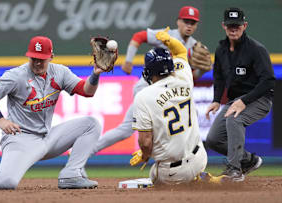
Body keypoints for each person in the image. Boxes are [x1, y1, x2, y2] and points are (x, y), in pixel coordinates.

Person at [0, 36, 107, 190]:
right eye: (34, 58)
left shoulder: (60, 72)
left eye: (42, 59)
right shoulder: (17, 75)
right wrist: (1, 120)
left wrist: (95, 74)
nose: (37, 63)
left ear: (51, 57)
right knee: (6, 182)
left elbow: (86, 91)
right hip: (21, 139)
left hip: (47, 138)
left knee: (91, 124)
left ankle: (71, 174)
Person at [92, 6, 212, 155]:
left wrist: (203, 70)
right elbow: (139, 36)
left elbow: (189, 77)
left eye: (192, 23)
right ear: (178, 21)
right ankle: (89, 150)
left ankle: (182, 164)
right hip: (146, 89)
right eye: (186, 21)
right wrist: (128, 61)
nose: (189, 25)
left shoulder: (194, 46)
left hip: (167, 93)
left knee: (173, 125)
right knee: (127, 130)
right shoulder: (166, 35)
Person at [130, 28, 209, 185]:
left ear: (149, 71)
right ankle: (200, 178)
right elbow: (180, 51)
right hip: (200, 158)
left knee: (154, 175)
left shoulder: (143, 96)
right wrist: (168, 39)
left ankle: (191, 183)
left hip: (174, 172)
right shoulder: (185, 76)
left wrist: (145, 155)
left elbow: (145, 143)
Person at [205, 8, 275, 182]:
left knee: (234, 119)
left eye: (237, 25)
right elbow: (219, 76)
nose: (233, 29)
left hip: (259, 99)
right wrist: (216, 100)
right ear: (223, 26)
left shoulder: (256, 49)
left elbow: (268, 81)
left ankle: (235, 170)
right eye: (230, 26)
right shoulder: (221, 49)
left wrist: (244, 101)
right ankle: (249, 160)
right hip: (235, 100)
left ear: (245, 25)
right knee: (213, 139)